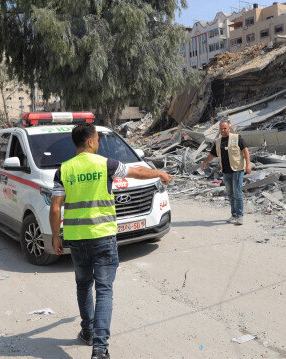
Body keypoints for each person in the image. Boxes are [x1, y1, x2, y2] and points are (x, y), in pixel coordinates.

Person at [49, 123, 172, 359]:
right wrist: (159, 173)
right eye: (97, 138)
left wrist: (56, 237)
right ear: (90, 142)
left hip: (76, 239)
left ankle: (88, 331)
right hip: (103, 236)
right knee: (104, 290)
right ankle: (100, 348)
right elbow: (137, 172)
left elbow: (55, 208)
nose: (98, 142)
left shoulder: (63, 170)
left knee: (83, 285)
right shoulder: (106, 164)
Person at [199, 120, 251, 225]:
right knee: (230, 194)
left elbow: (245, 151)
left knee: (237, 192)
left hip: (237, 169)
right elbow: (212, 155)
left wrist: (248, 165)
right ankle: (234, 214)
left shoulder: (237, 138)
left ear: (229, 128)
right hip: (226, 171)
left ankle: (240, 215)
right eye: (221, 128)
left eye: (225, 128)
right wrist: (204, 162)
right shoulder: (218, 142)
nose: (223, 130)